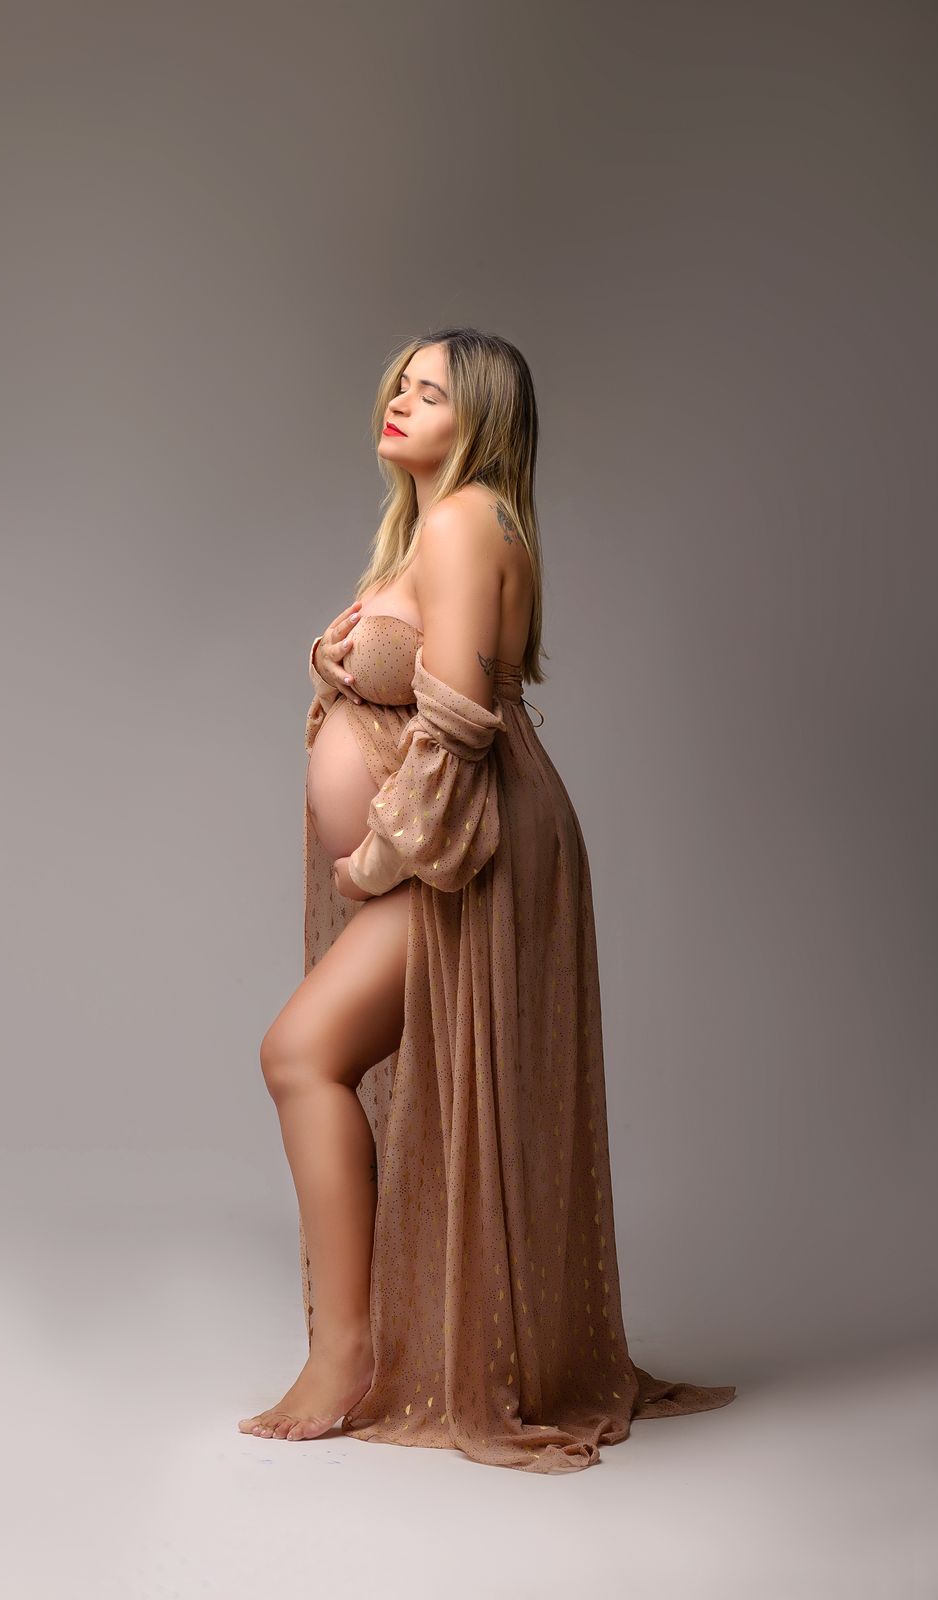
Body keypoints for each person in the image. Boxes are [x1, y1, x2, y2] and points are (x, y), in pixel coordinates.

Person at [239, 327, 735, 1472]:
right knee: (310, 1058)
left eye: (431, 393)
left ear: (483, 422)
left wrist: (373, 862)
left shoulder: (465, 520)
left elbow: (459, 722)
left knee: (299, 1052)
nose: (400, 402)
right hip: (453, 844)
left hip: (467, 850)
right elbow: (422, 688)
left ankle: (344, 1356)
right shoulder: (435, 527)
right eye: (399, 384)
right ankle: (358, 1347)